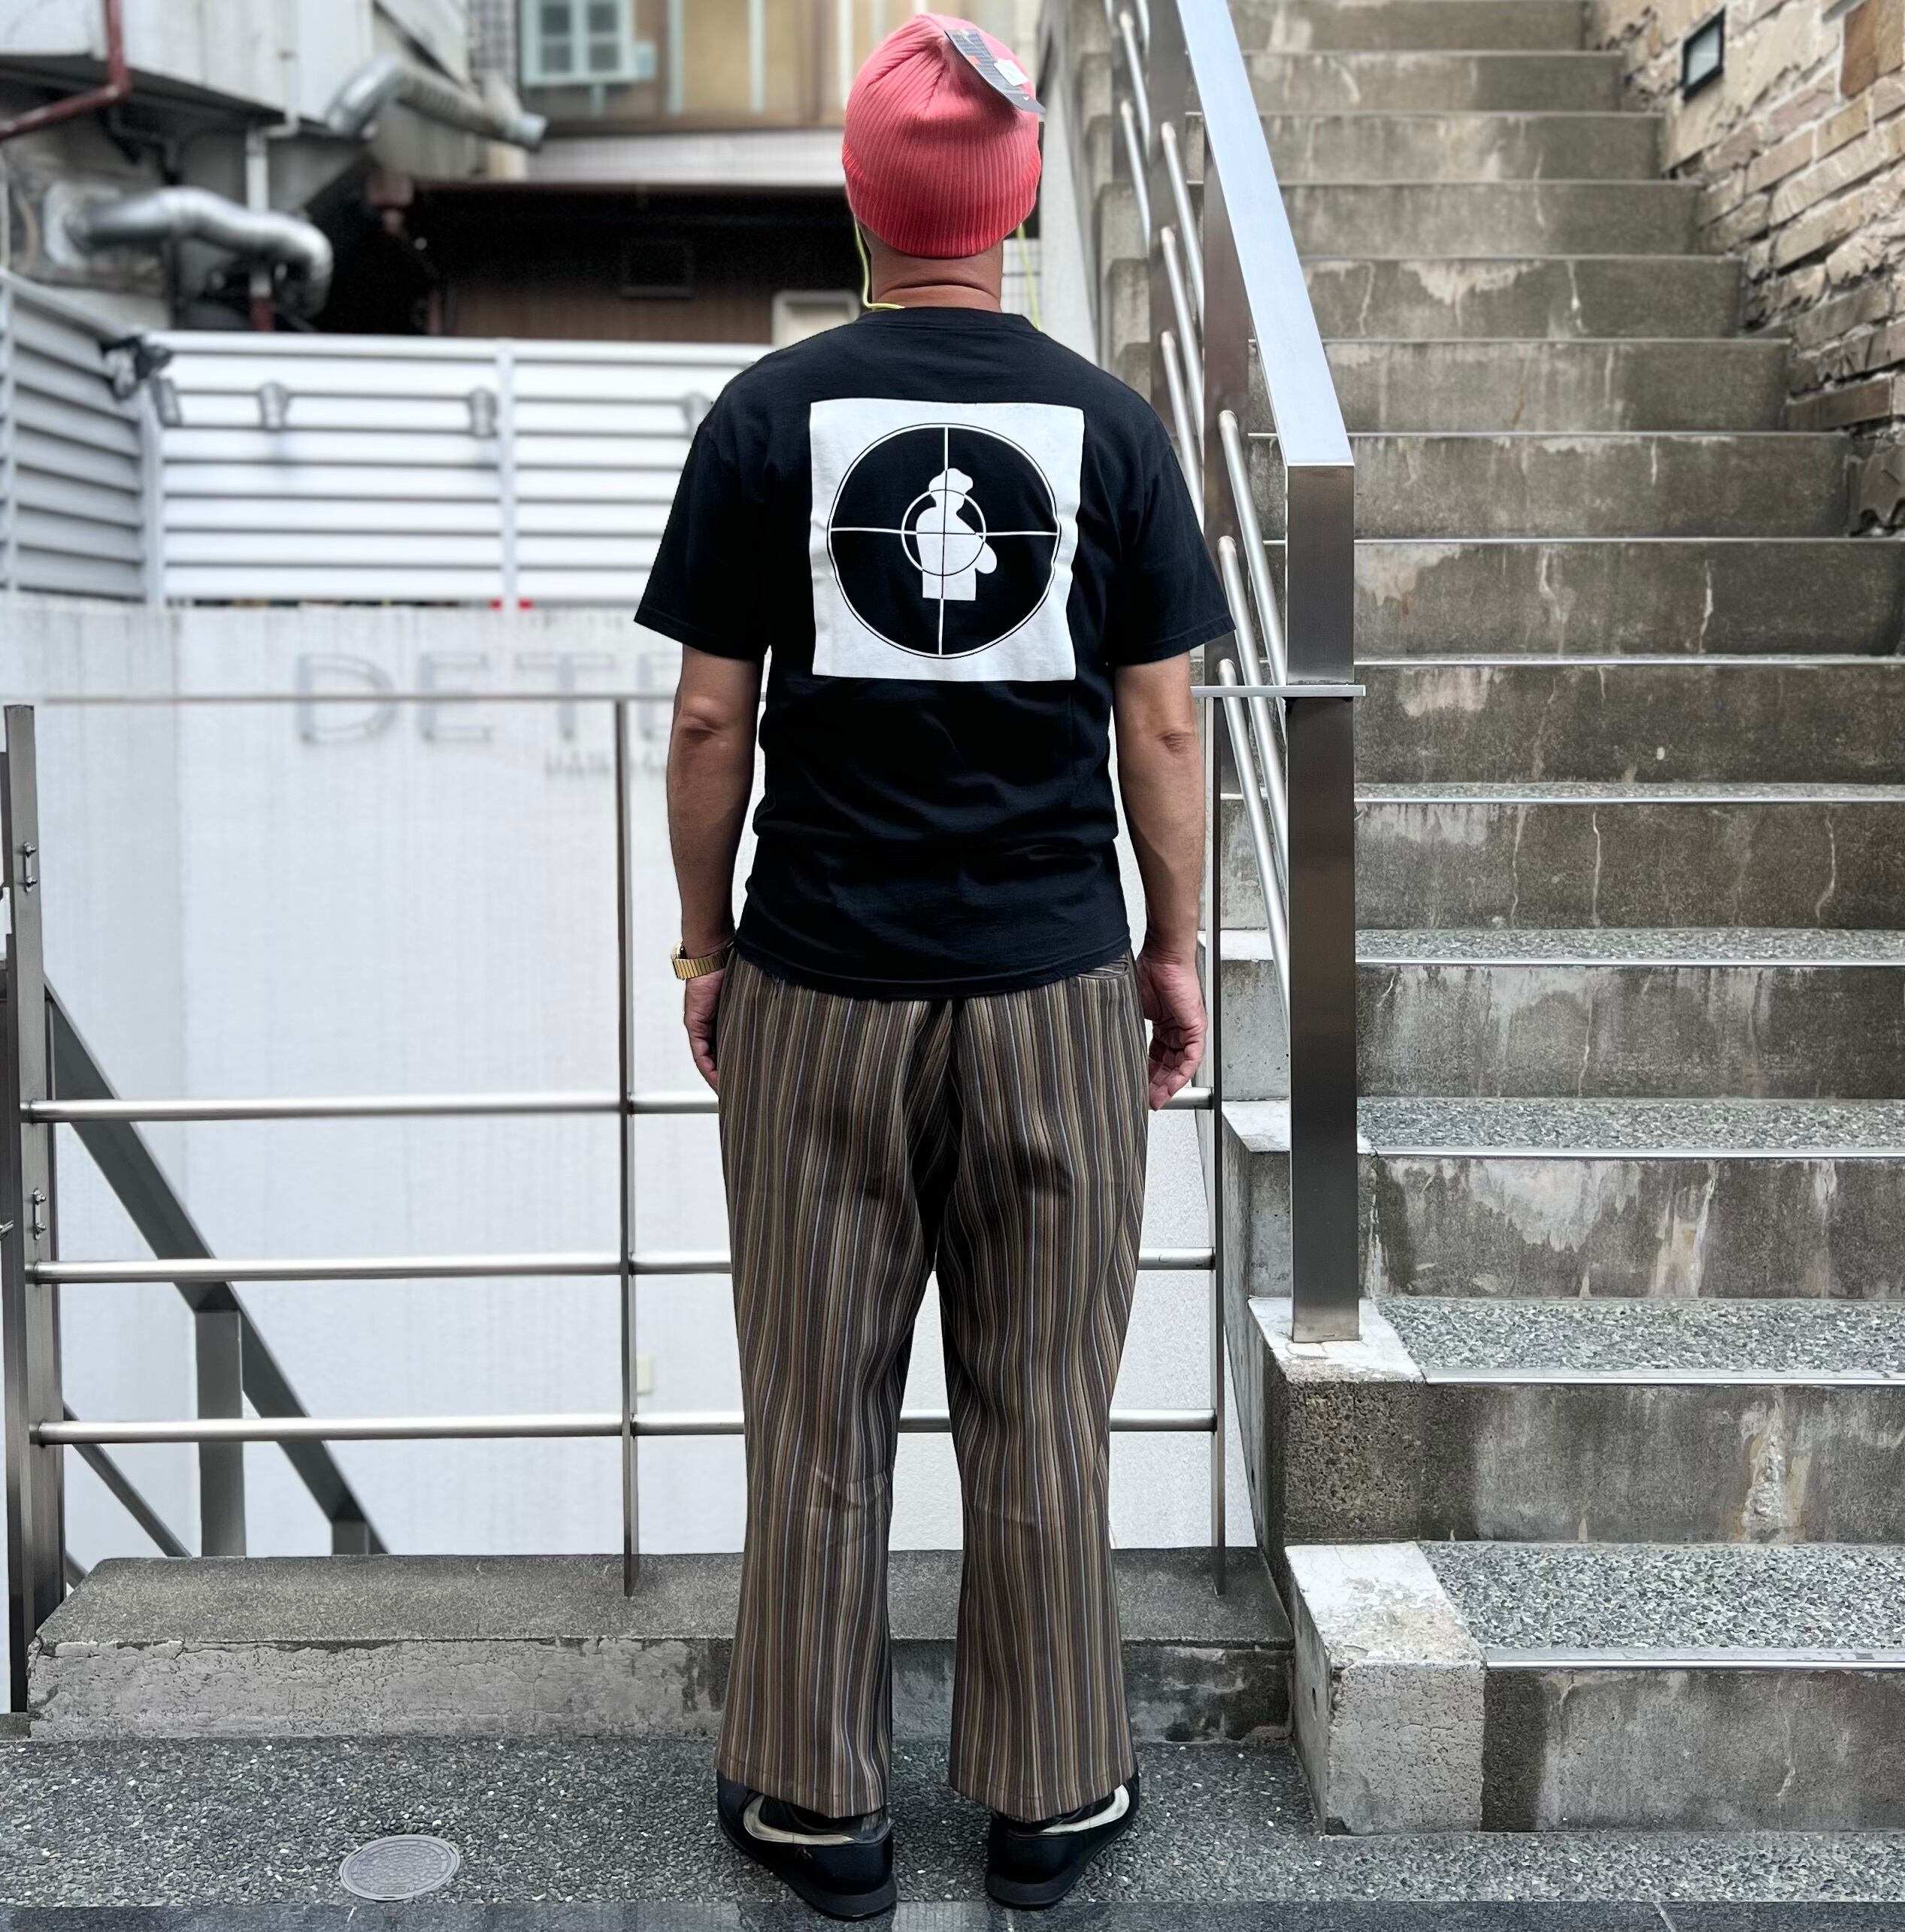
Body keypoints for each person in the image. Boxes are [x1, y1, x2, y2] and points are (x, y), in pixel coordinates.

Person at [642, 14, 1228, 1917]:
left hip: (818, 985)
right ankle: (1052, 1797)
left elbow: (710, 722)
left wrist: (706, 945)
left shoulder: (765, 418)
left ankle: (822, 1809)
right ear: (1019, 203)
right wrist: (1169, 948)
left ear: (861, 195)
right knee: (1042, 1399)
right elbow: (1160, 728)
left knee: (816, 1406)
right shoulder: (1112, 426)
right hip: (1054, 990)